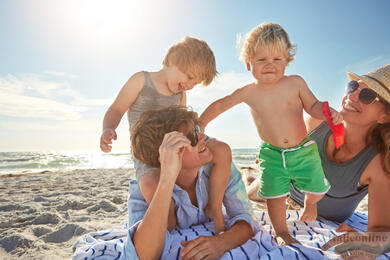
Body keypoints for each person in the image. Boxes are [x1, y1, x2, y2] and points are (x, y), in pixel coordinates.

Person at [199, 22, 342, 245]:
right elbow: (220, 105)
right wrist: (201, 123)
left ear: (287, 60)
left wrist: (326, 112)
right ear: (248, 63)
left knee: (317, 189)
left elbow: (312, 105)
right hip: (272, 154)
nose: (270, 65)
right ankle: (281, 232)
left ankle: (310, 202)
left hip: (302, 150)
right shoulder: (248, 92)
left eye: (277, 60)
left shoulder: (295, 83)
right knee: (275, 195)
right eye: (261, 60)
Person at [248, 64, 390, 255]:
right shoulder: (317, 123)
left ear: (385, 115)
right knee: (249, 191)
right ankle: (248, 176)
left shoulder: (378, 163)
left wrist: (367, 240)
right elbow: (282, 141)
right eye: (353, 87)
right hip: (285, 190)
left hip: (319, 211)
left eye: (367, 96)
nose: (353, 96)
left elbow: (382, 230)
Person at [99, 36, 230, 234]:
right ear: (172, 60)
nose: (189, 85)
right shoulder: (141, 80)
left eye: (195, 82)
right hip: (147, 154)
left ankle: (215, 204)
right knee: (153, 185)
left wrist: (196, 135)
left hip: (177, 147)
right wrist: (108, 129)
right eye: (189, 76)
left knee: (221, 150)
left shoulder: (180, 94)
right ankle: (168, 224)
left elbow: (184, 123)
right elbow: (116, 109)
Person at [121, 106, 258, 260]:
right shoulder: (146, 187)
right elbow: (141, 255)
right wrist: (167, 180)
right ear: (167, 154)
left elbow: (246, 218)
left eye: (198, 129)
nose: (203, 136)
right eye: (193, 136)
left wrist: (221, 242)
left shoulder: (219, 168)